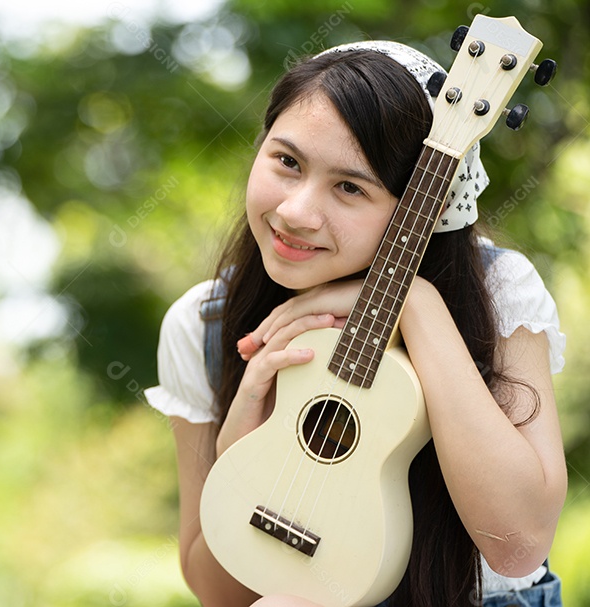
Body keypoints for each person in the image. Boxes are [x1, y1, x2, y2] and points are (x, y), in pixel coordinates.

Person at [143, 40, 566, 607]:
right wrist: (241, 434)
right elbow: (218, 594)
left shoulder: (497, 291)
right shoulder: (205, 324)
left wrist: (416, 306)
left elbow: (517, 546)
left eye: (350, 187)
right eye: (287, 162)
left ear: (420, 206)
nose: (295, 212)